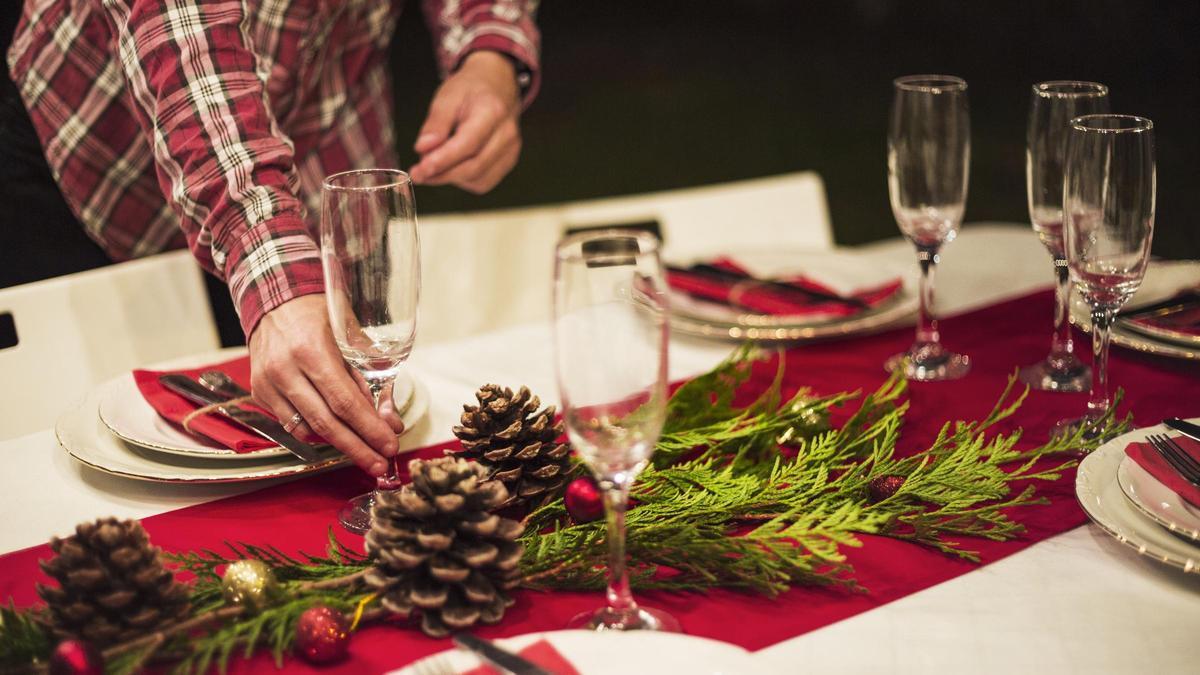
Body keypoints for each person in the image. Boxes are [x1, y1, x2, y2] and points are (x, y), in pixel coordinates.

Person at [4, 0, 540, 475]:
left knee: (301, 437)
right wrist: (270, 266)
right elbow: (186, 34)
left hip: (321, 129)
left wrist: (490, 49)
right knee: (83, 450)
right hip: (96, 155)